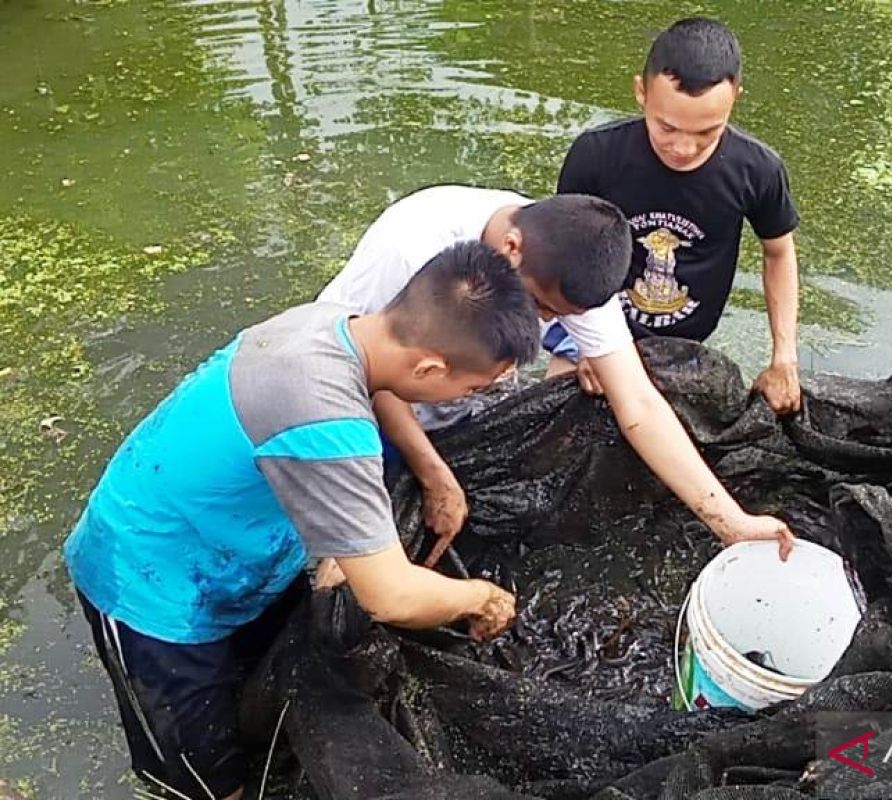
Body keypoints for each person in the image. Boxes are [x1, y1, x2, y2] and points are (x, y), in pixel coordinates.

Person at [62, 242, 540, 800]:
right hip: (150, 587)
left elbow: (366, 404)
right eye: (474, 388)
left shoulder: (336, 323)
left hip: (237, 551)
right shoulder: (325, 421)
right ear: (431, 366)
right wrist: (479, 598)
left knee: (254, 692)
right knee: (206, 780)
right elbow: (391, 596)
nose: (473, 399)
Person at [317, 187, 795, 564]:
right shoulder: (410, 247)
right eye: (542, 308)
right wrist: (432, 473)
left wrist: (730, 522)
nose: (543, 319)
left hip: (457, 388)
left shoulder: (573, 267)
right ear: (510, 249)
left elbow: (639, 405)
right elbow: (363, 370)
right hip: (351, 398)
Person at [552, 17, 804, 415]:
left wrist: (783, 357)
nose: (684, 148)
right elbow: (563, 253)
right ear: (641, 92)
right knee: (559, 419)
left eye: (707, 132)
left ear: (735, 97)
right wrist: (588, 344)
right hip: (598, 323)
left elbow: (779, 253)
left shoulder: (757, 170)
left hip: (687, 342)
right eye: (666, 127)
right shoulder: (597, 155)